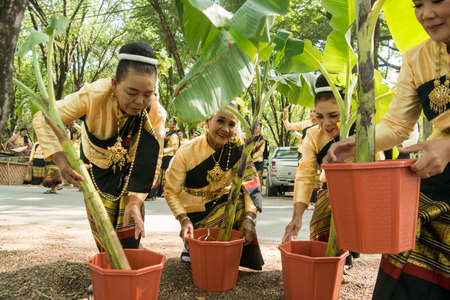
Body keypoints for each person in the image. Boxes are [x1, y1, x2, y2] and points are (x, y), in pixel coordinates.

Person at [325, 1, 450, 298]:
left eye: (436, 0)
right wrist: (356, 144)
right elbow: (396, 126)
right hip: (436, 177)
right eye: (418, 5)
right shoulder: (416, 59)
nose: (426, 15)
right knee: (403, 278)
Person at [33, 41, 166, 250]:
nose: (140, 101)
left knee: (130, 226)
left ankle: (130, 257)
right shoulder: (92, 95)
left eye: (147, 94)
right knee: (102, 225)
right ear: (114, 84)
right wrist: (62, 163)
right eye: (132, 92)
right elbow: (43, 118)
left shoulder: (156, 114)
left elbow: (151, 161)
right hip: (95, 167)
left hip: (130, 170)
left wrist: (136, 200)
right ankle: (108, 265)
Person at [164, 105, 264, 270]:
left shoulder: (236, 150)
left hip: (223, 204)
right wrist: (183, 219)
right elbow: (170, 192)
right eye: (220, 121)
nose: (225, 129)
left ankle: (230, 253)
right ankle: (192, 242)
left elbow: (252, 183)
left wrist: (250, 218)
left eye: (231, 124)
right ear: (207, 121)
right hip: (193, 212)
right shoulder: (185, 151)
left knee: (240, 202)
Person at [281, 74, 359, 268]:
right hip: (330, 192)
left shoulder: (364, 131)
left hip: (360, 193)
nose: (326, 124)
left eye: (334, 116)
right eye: (320, 116)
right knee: (319, 226)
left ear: (348, 109)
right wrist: (296, 216)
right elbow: (305, 175)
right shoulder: (313, 136)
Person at [149, 117, 179, 199]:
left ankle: (164, 191)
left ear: (174, 124)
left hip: (168, 155)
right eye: (168, 121)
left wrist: (164, 150)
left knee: (165, 174)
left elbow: (175, 147)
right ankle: (157, 191)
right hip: (162, 155)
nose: (169, 123)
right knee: (160, 173)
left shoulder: (174, 135)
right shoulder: (166, 132)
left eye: (171, 122)